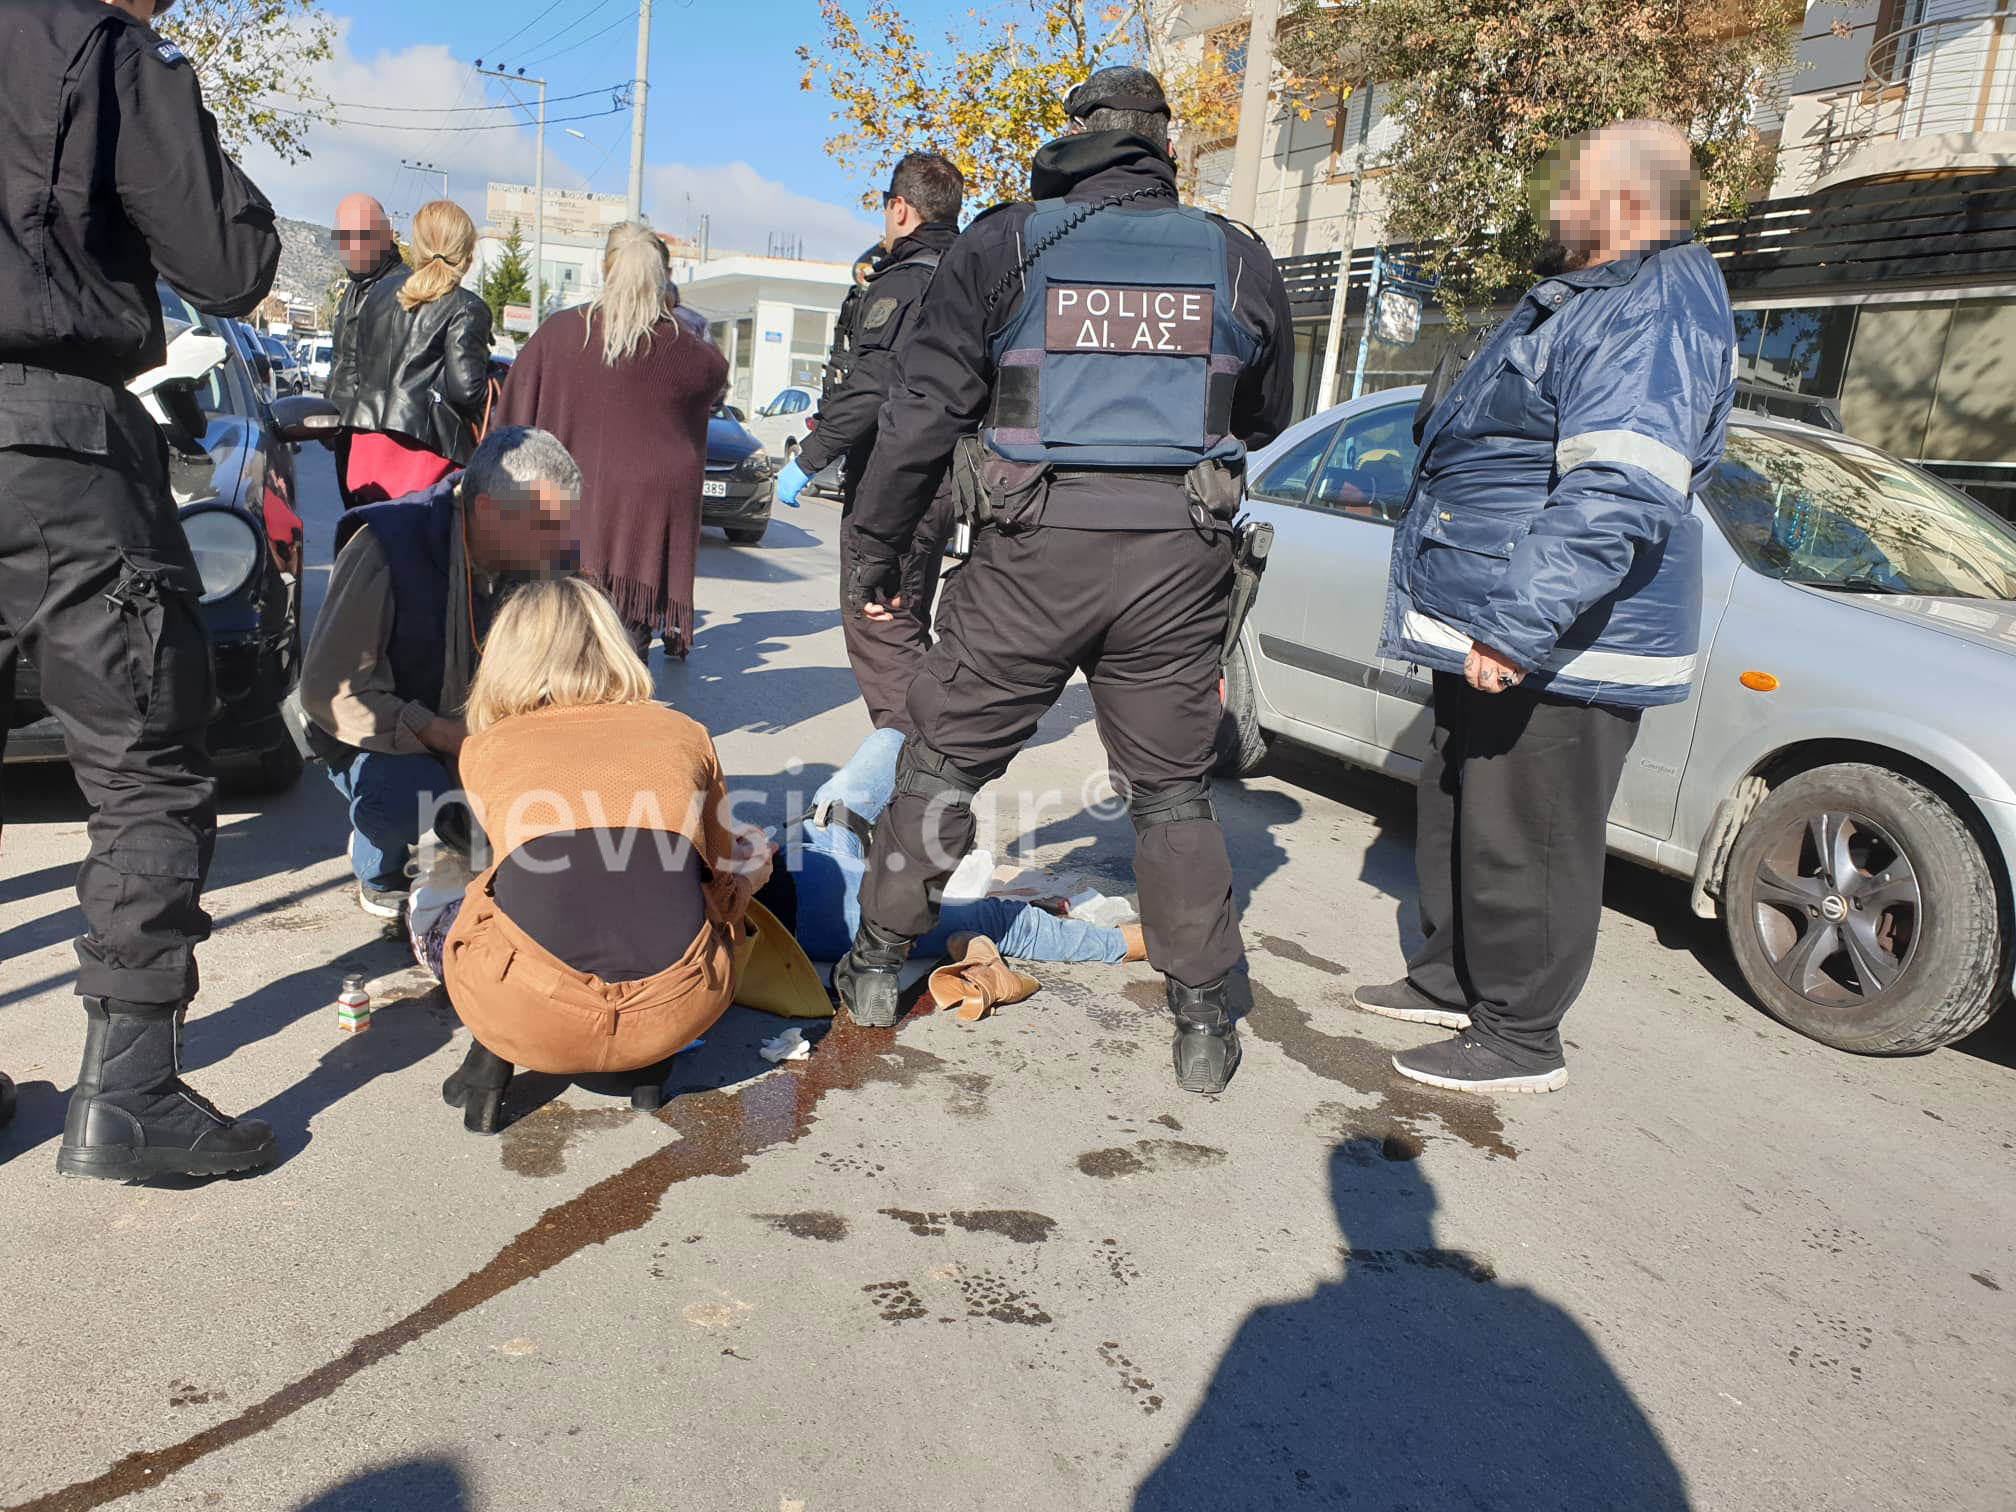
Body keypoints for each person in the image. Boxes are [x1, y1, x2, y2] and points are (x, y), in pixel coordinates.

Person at [831, 67, 1296, 1096]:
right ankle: (1206, 1018)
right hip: (1179, 555)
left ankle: (872, 971)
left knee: (944, 765)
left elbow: (918, 417)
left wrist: (875, 549)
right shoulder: (1235, 256)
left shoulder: (1007, 242)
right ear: (1167, 146)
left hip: (1031, 554)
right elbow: (1264, 412)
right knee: (1172, 792)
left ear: (1076, 137)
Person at [1352, 120, 1735, 1095]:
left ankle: (1521, 1035)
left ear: (1634, 203)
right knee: (1460, 806)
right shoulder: (1582, 292)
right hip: (1496, 611)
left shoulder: (1653, 300)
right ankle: (1452, 980)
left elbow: (1621, 485)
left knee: (1532, 833)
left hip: (1566, 639)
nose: (1560, 199)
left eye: (1580, 186)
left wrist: (1521, 624)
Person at [0, 0, 279, 1177]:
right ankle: (127, 1098)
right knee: (146, 759)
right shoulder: (102, 50)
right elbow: (232, 262)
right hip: (55, 445)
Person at [438, 577, 773, 1132]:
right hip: (676, 1011)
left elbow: (527, 883)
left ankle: (489, 1063)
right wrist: (756, 864)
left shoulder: (484, 749)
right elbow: (723, 879)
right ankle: (646, 1077)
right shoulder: (685, 734)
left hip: (523, 1012)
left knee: (475, 898)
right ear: (612, 644)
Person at [298, 427, 581, 919]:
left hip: (481, 735)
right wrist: (449, 737)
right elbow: (330, 690)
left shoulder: (544, 557)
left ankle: (459, 818)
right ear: (488, 512)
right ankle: (378, 864)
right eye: (544, 526)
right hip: (385, 736)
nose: (560, 543)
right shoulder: (387, 546)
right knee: (405, 795)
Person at [778, 159, 966, 732]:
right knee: (905, 618)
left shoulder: (907, 281)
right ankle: (922, 758)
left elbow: (871, 385)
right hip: (941, 484)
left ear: (900, 208)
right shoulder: (970, 276)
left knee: (879, 623)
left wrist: (808, 459)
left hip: (894, 486)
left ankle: (914, 769)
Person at [497, 222, 729, 660]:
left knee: (564, 629)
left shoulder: (560, 333)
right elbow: (716, 377)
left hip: (569, 507)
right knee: (626, 634)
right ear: (661, 279)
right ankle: (623, 715)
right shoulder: (685, 349)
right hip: (647, 512)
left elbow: (512, 415)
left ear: (606, 270)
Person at [774, 726, 1145, 966]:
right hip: (807, 911)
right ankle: (1134, 945)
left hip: (803, 858)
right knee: (998, 921)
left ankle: (887, 855)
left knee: (889, 742)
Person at [325, 198, 493, 510]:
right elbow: (466, 389)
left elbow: (352, 367)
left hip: (365, 453)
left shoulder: (376, 295)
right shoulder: (466, 307)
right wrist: (496, 383)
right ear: (466, 255)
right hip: (424, 462)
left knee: (364, 542)